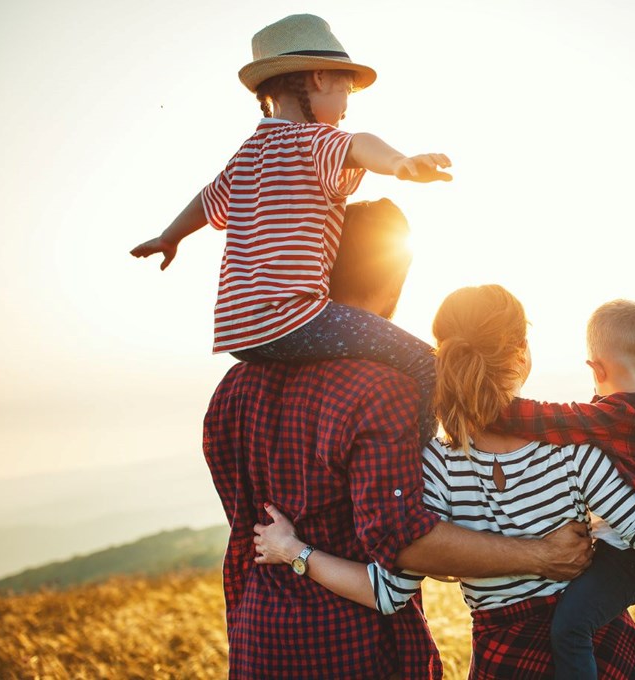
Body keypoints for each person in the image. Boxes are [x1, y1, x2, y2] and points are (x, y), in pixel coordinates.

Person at [204, 201, 592, 679]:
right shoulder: (383, 388)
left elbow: (244, 516)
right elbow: (404, 541)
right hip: (357, 650)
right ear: (395, 275)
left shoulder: (232, 389)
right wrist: (542, 556)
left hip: (257, 643)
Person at [254, 285, 635, 679]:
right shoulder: (574, 449)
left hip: (505, 661)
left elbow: (386, 593)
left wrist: (293, 550)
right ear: (521, 354)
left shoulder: (435, 467)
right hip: (600, 655)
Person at [131, 13, 451, 442]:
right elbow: (360, 144)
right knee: (426, 363)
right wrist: (400, 164)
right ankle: (424, 466)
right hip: (295, 317)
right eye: (345, 94)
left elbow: (207, 200)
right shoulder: (314, 141)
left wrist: (169, 237)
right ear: (319, 78)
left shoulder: (247, 154)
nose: (344, 109)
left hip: (238, 333)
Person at [489, 299, 635, 680]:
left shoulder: (607, 419)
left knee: (571, 629)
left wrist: (479, 402)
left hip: (623, 556)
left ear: (595, 369)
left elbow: (540, 418)